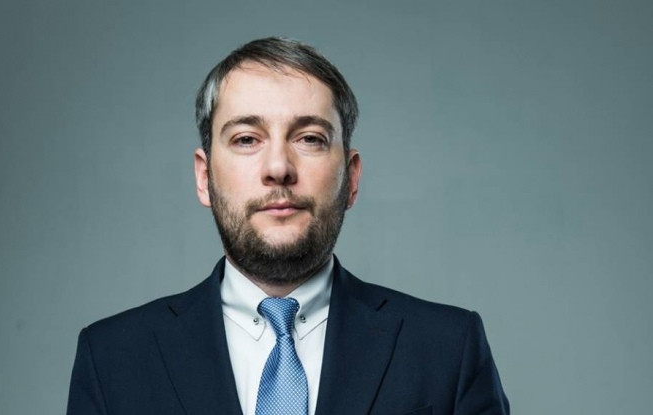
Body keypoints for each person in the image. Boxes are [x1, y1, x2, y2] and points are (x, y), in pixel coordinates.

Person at [67, 37, 509, 415]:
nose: (278, 167)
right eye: (246, 139)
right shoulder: (110, 359)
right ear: (204, 177)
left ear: (351, 178)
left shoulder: (448, 348)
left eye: (310, 138)